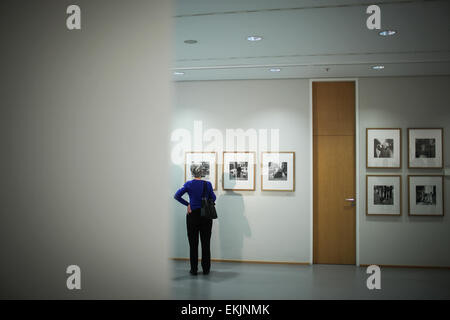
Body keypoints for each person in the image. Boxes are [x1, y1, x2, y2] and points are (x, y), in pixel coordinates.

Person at [174, 164, 216, 275]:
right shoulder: (208, 184)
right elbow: (214, 198)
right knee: (206, 243)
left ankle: (194, 270)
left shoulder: (188, 184)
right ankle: (206, 269)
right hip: (206, 215)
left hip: (192, 215)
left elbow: (177, 196)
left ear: (192, 172)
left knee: (193, 244)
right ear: (202, 173)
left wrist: (188, 204)